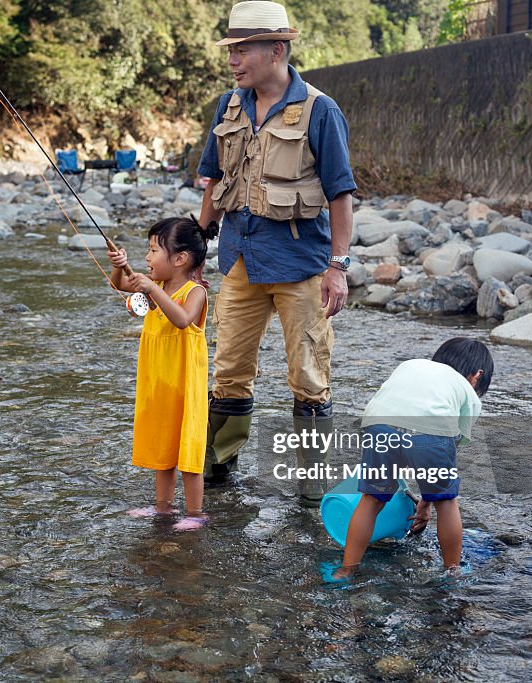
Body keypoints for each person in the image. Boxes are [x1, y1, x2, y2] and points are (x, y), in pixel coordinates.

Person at [196, 1, 357, 506]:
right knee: (227, 372)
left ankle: (312, 493)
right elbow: (214, 181)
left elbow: (340, 195)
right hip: (240, 262)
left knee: (309, 379)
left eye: (243, 49)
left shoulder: (320, 110)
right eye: (232, 49)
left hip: (302, 269)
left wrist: (338, 268)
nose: (234, 59)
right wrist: (195, 250)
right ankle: (219, 476)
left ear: (277, 50)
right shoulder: (228, 105)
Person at [331, 338, 494, 581]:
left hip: (378, 424)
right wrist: (429, 502)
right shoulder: (467, 392)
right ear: (477, 375)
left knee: (371, 500)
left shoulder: (411, 365)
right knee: (447, 502)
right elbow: (447, 450)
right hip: (432, 431)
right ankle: (453, 573)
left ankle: (346, 570)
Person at [107, 218, 218, 531]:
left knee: (188, 448)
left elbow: (182, 319)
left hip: (185, 385)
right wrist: (119, 266)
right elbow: (119, 284)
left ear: (179, 259)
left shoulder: (193, 291)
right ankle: (163, 508)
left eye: (153, 250)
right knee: (163, 446)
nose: (147, 258)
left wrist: (153, 288)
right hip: (158, 382)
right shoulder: (156, 287)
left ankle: (195, 513)